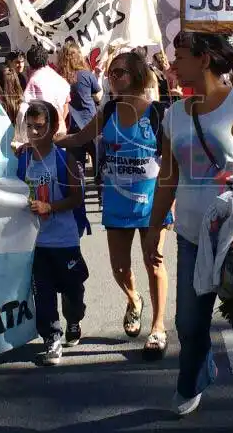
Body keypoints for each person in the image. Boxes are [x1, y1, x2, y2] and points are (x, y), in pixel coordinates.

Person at [142, 32, 233, 432]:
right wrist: (154, 226)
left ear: (204, 59)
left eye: (180, 56)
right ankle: (195, 378)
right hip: (190, 236)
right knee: (189, 325)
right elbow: (168, 177)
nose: (173, 64)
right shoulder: (174, 114)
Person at [56, 51, 172, 359]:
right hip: (117, 202)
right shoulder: (108, 111)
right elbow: (79, 138)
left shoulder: (157, 113)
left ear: (136, 75)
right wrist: (44, 142)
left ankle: (158, 327)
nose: (112, 77)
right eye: (111, 73)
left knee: (154, 262)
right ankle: (134, 299)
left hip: (151, 203)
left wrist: (170, 203)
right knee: (119, 268)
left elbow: (170, 165)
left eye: (119, 72)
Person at [19, 100, 88, 366]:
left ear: (53, 127)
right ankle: (51, 338)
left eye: (40, 127)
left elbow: (76, 198)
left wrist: (50, 207)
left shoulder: (64, 159)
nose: (34, 132)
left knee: (73, 291)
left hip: (64, 240)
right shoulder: (23, 159)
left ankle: (74, 319)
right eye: (30, 127)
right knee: (43, 294)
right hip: (36, 243)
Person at [57, 42, 101, 174]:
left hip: (72, 126)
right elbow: (98, 95)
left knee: (76, 168)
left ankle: (79, 187)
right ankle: (99, 186)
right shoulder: (86, 75)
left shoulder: (60, 78)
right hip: (91, 124)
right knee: (99, 164)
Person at [23, 43, 71, 136]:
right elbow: (66, 106)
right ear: (47, 59)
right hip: (60, 128)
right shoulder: (59, 78)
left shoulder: (34, 81)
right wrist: (60, 122)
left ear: (29, 63)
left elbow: (26, 107)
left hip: (44, 131)